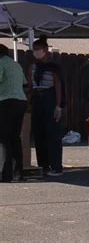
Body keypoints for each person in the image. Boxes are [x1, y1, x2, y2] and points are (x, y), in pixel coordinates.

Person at [28, 35, 64, 177]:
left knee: (53, 133)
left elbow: (58, 86)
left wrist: (58, 106)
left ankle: (56, 165)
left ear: (45, 50)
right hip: (37, 97)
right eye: (34, 49)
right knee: (39, 133)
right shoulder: (32, 67)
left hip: (50, 97)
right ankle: (43, 164)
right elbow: (30, 86)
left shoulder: (53, 67)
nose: (36, 52)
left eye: (38, 49)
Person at [0, 44, 27, 182]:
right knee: (15, 137)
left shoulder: (0, 63)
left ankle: (6, 173)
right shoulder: (16, 65)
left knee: (4, 138)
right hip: (20, 101)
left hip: (6, 102)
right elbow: (24, 83)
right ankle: (18, 172)